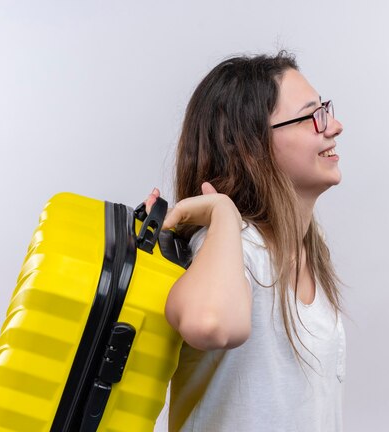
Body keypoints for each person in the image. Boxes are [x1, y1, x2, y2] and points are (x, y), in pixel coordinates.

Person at [145, 51, 346, 432]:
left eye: (326, 110)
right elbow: (210, 325)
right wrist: (222, 212)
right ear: (249, 146)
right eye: (312, 116)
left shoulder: (308, 248)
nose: (334, 126)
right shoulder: (232, 245)